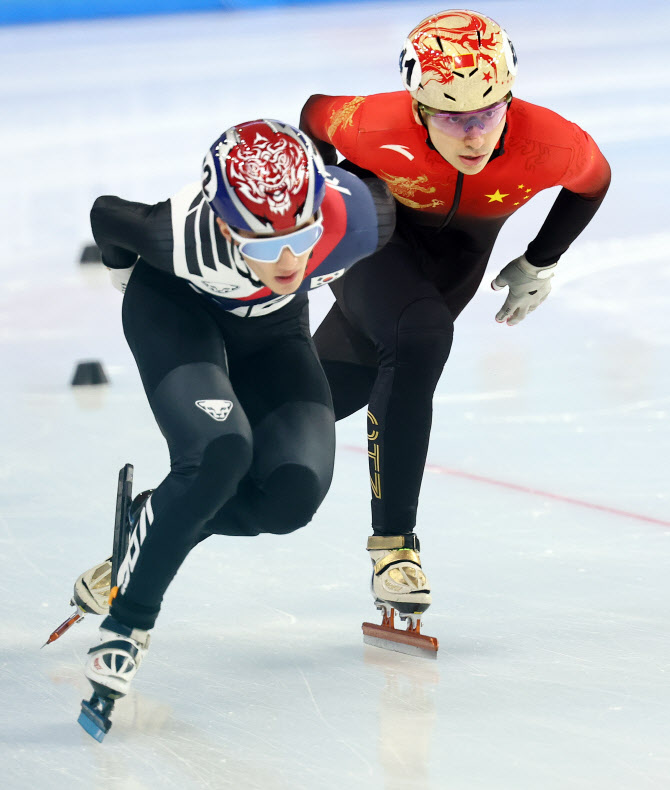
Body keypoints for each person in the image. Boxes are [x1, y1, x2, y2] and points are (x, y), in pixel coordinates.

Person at [299, 10, 611, 637]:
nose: (472, 136)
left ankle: (179, 496)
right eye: (450, 117)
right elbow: (312, 115)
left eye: (488, 113)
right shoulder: (370, 122)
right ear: (417, 107)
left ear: (508, 97)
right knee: (420, 336)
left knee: (313, 404)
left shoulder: (551, 140)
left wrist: (540, 261)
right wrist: (330, 205)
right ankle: (394, 548)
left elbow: (593, 182)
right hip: (378, 244)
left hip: (450, 269)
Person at [75, 119, 395, 706]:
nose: (290, 259)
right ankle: (127, 625)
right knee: (221, 454)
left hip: (272, 330)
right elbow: (106, 216)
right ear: (224, 224)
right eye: (267, 245)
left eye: (303, 236)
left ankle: (159, 518)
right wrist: (125, 275)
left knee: (293, 495)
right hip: (176, 308)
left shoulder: (363, 218)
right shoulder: (181, 237)